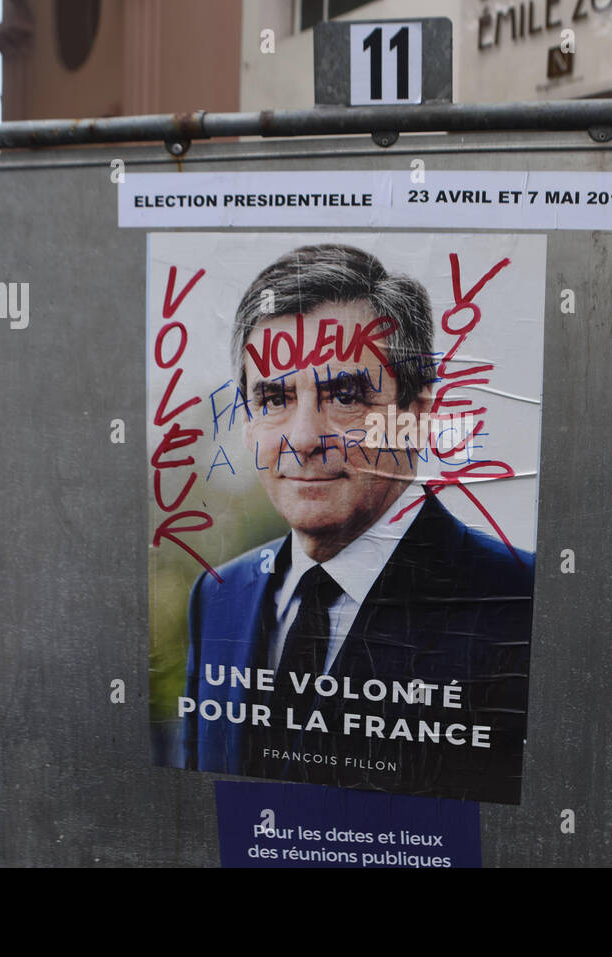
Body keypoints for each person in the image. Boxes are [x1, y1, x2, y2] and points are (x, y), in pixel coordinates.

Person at [179, 243, 534, 804]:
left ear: (416, 416)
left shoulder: (523, 604)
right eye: (272, 398)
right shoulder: (218, 596)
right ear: (248, 425)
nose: (302, 438)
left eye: (344, 395)